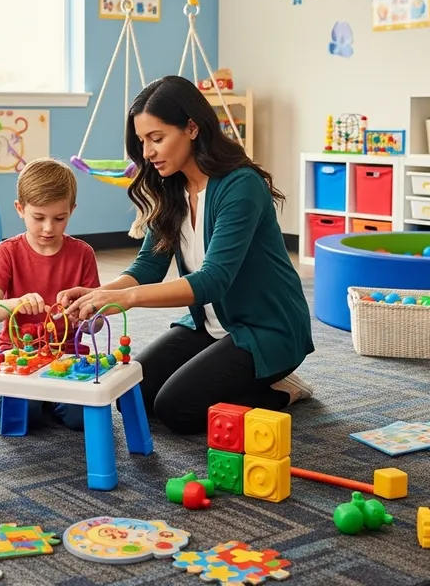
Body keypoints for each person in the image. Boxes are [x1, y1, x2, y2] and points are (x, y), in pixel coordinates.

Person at [58, 75, 315, 434]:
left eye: (157, 138)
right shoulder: (170, 187)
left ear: (192, 128)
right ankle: (230, 376)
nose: (147, 152)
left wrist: (126, 299)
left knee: (177, 409)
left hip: (267, 329)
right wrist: (98, 295)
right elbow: (149, 265)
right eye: (142, 141)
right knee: (134, 395)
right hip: (210, 326)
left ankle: (280, 390)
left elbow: (213, 281)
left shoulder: (241, 186)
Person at [0, 157, 100, 431]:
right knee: (22, 414)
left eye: (59, 218)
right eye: (38, 218)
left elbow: (97, 322)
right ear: (20, 209)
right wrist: (16, 303)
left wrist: (86, 318)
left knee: (80, 420)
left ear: (71, 211)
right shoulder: (7, 252)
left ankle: (44, 398)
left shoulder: (83, 254)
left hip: (66, 358)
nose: (49, 228)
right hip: (18, 355)